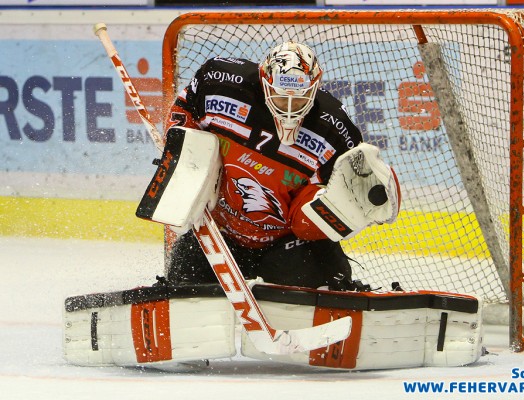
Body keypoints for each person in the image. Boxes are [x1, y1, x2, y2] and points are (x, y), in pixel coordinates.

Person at [160, 41, 400, 290]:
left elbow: (335, 198)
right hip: (219, 232)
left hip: (288, 244)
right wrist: (181, 155)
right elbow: (184, 111)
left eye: (299, 98)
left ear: (315, 86)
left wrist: (345, 209)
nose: (289, 107)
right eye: (281, 96)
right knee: (181, 285)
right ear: (264, 81)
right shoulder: (220, 84)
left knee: (327, 288)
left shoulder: (336, 131)